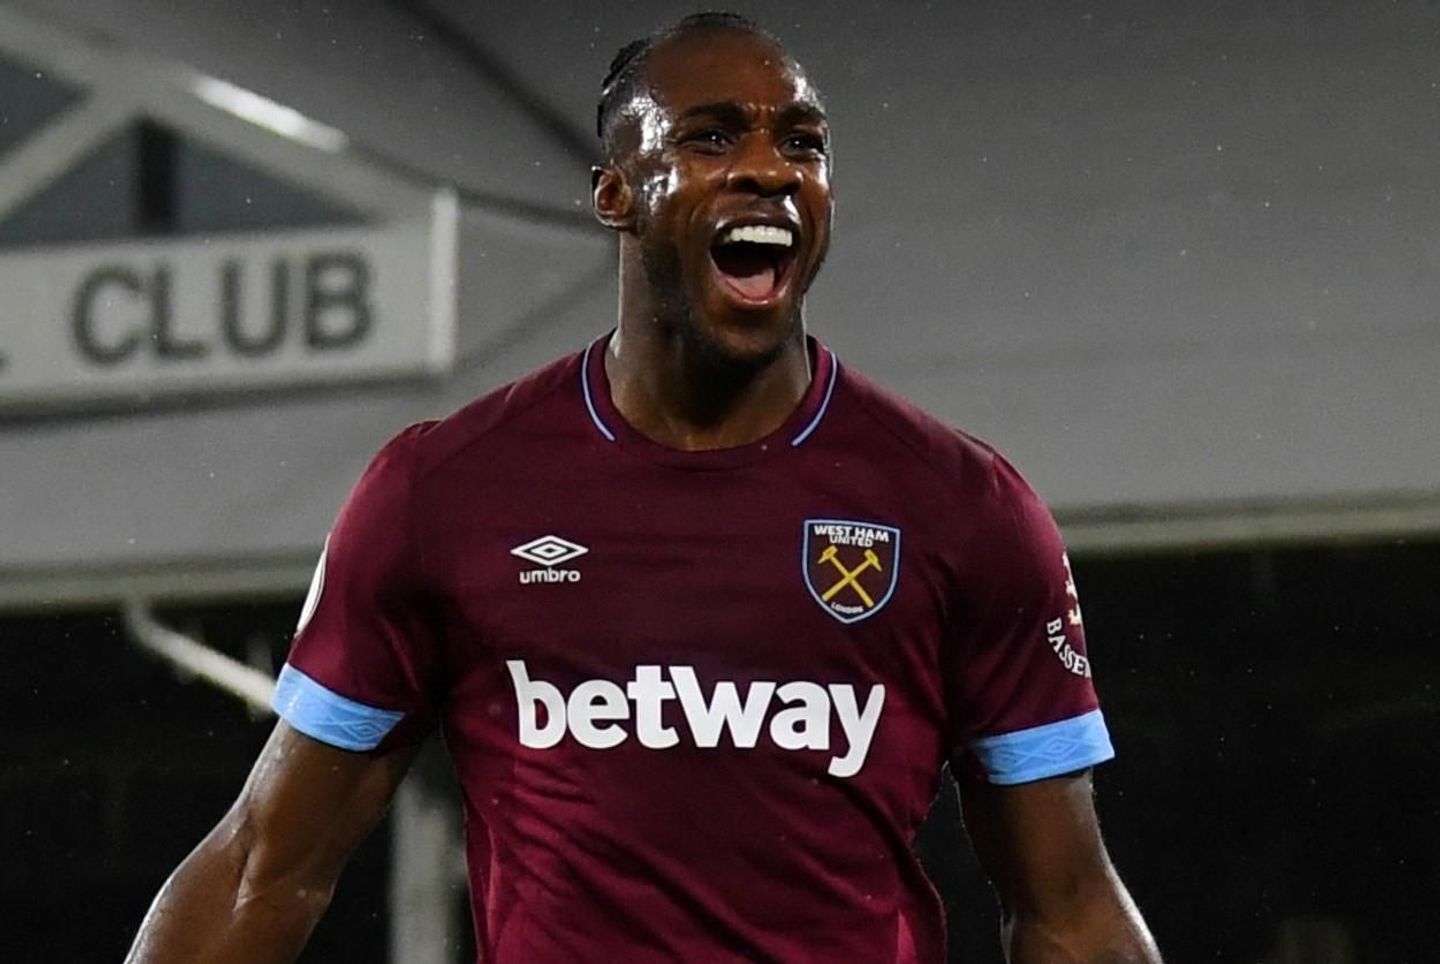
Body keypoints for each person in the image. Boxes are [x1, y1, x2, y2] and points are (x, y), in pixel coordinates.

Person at [126, 13, 1160, 963]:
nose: (769, 170)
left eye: (802, 144)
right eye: (712, 139)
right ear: (614, 192)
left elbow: (1067, 907)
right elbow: (265, 868)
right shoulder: (443, 494)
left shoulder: (960, 507)